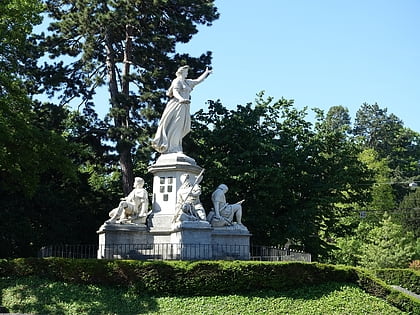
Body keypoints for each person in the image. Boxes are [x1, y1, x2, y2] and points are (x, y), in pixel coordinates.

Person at [152, 65, 212, 154]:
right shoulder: (177, 81)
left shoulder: (187, 82)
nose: (187, 73)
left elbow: (198, 81)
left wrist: (206, 73)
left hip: (184, 106)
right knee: (176, 125)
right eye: (186, 71)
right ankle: (173, 148)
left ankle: (176, 146)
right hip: (177, 105)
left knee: (184, 127)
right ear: (182, 72)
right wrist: (181, 99)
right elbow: (175, 92)